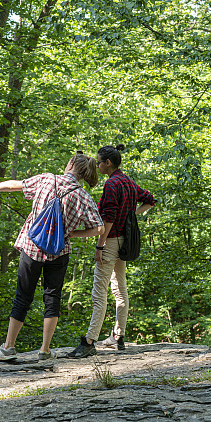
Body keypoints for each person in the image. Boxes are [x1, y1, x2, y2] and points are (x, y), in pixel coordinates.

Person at [0, 153, 104, 362]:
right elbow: (99, 228)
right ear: (85, 172)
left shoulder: (47, 179)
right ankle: (45, 350)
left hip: (31, 247)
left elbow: (15, 185)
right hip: (59, 251)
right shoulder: (82, 195)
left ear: (70, 164)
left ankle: (8, 348)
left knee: (22, 296)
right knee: (53, 298)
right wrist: (72, 234)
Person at [67, 144, 156, 359]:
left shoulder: (112, 185)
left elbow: (108, 219)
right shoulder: (128, 182)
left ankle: (89, 341)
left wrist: (100, 245)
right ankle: (118, 337)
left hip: (111, 241)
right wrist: (132, 215)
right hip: (125, 243)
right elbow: (150, 200)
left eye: (99, 162)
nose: (96, 165)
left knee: (100, 293)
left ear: (108, 163)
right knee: (120, 289)